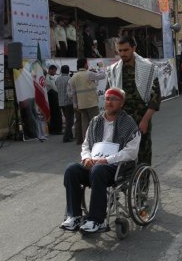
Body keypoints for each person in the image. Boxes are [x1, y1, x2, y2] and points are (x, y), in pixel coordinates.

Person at [60, 88, 141, 233]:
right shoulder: (96, 121)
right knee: (71, 169)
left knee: (98, 170)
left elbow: (131, 152)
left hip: (116, 167)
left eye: (114, 99)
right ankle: (75, 216)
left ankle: (97, 220)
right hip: (94, 164)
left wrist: (107, 160)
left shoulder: (128, 124)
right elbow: (86, 144)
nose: (109, 102)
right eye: (107, 99)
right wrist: (86, 158)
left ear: (121, 103)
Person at [106, 36, 161, 165]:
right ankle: (127, 182)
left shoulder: (148, 68)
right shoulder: (114, 70)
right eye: (120, 51)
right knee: (121, 154)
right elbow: (109, 96)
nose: (122, 54)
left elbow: (156, 97)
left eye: (126, 50)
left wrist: (145, 120)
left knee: (143, 154)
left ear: (133, 48)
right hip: (121, 120)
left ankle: (142, 184)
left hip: (141, 119)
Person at [70, 58, 106, 144]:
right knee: (96, 121)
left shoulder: (74, 76)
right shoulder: (89, 74)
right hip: (91, 102)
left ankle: (86, 141)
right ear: (85, 64)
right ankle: (97, 140)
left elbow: (73, 93)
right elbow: (103, 76)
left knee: (85, 123)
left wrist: (75, 105)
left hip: (81, 104)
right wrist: (101, 67)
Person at [56, 65, 74, 143]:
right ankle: (66, 137)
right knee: (70, 120)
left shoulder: (57, 79)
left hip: (61, 102)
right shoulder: (69, 79)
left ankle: (70, 135)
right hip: (68, 102)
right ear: (68, 71)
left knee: (67, 119)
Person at [46, 65, 63, 135]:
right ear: (51, 70)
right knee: (56, 114)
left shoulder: (50, 77)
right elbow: (54, 88)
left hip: (53, 97)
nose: (55, 72)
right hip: (52, 97)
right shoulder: (48, 77)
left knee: (54, 114)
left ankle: (55, 129)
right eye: (55, 71)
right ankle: (57, 130)